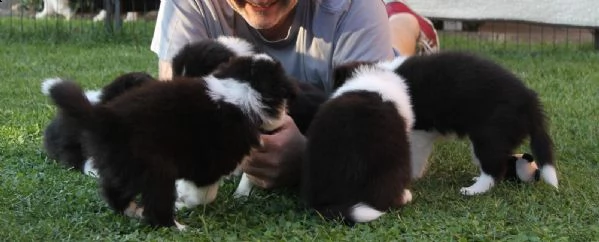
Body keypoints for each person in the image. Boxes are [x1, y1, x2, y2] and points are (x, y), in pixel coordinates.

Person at [150, 0, 439, 190]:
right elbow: (175, 117)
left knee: (400, 56)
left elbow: (380, 146)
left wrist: (306, 159)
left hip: (358, 69)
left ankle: (408, 21)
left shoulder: (356, 6)